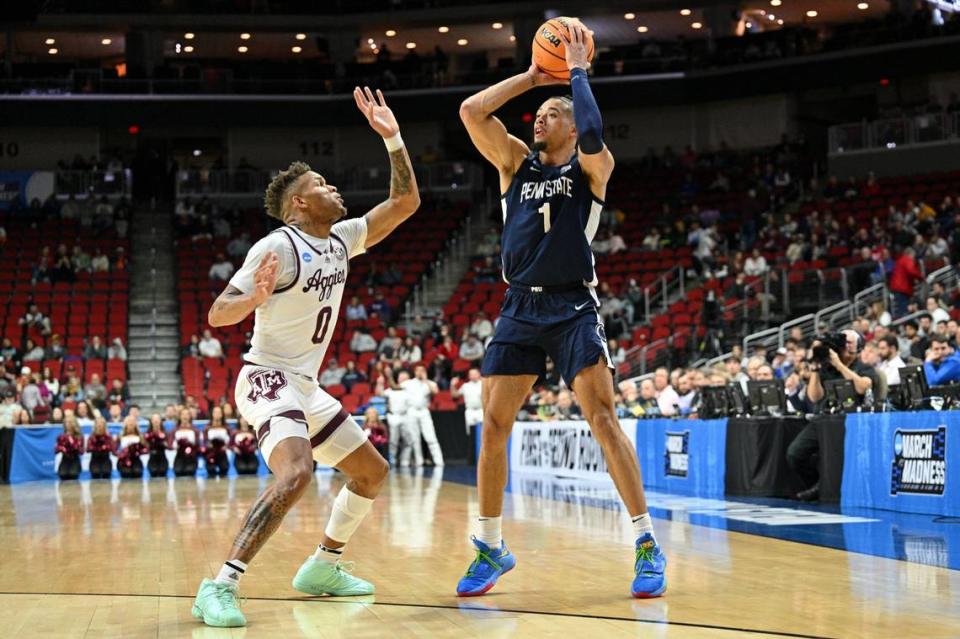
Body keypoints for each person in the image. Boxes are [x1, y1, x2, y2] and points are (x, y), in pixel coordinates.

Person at [192, 85, 420, 628]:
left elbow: (406, 203)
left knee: (371, 471)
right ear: (299, 202)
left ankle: (323, 566)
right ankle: (218, 585)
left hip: (306, 384)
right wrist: (252, 297)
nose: (332, 186)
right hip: (265, 377)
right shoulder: (278, 246)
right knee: (296, 471)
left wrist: (393, 139)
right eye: (319, 184)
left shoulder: (341, 238)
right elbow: (218, 314)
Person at [455, 21, 665, 599]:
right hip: (519, 306)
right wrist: (530, 76)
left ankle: (646, 542)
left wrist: (576, 73)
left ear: (574, 126)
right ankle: (491, 547)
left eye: (552, 113)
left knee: (603, 420)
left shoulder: (592, 169)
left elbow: (594, 129)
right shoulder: (515, 165)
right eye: (539, 113)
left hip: (573, 305)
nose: (539, 119)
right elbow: (472, 112)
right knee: (494, 426)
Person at [788, 330, 877, 501]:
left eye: (849, 342)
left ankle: (824, 487)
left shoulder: (864, 368)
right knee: (794, 454)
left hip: (851, 422)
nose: (845, 345)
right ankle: (817, 484)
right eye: (843, 342)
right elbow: (814, 397)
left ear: (859, 347)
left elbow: (863, 387)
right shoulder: (826, 368)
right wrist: (815, 369)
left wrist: (840, 366)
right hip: (824, 418)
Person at [402, 364, 443, 466]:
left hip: (424, 411)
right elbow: (395, 387)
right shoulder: (408, 383)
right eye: (418, 370)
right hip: (412, 411)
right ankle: (419, 461)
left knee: (431, 437)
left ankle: (439, 462)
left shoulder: (430, 383)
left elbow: (435, 392)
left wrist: (425, 380)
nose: (420, 372)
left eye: (422, 370)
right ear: (415, 372)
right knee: (415, 438)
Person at [55, 414, 84, 480]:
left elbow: (80, 450)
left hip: (74, 459)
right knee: (63, 474)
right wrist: (62, 448)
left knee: (73, 474)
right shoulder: (61, 436)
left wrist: (70, 439)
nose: (67, 425)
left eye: (69, 422)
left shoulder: (79, 437)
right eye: (66, 423)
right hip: (65, 460)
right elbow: (56, 449)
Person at [87, 415, 115, 479]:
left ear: (104, 425)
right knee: (95, 473)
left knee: (106, 473)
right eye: (98, 424)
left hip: (105, 459)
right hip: (95, 459)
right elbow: (88, 449)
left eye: (101, 424)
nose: (99, 425)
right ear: (95, 425)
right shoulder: (91, 436)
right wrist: (97, 448)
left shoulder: (109, 436)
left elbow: (113, 448)